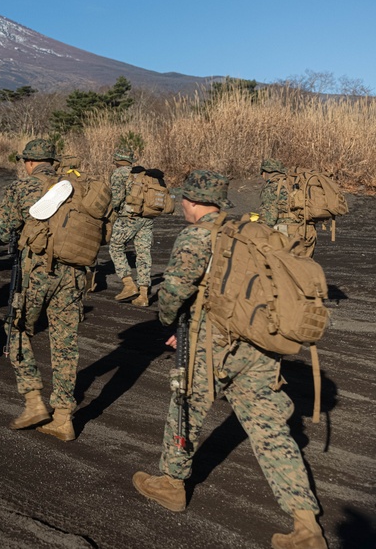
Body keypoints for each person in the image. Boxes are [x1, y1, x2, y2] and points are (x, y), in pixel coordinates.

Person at [133, 170, 327, 549]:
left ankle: (171, 484)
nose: (183, 208)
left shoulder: (197, 235)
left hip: (214, 345)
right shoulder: (244, 235)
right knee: (270, 430)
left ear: (192, 202)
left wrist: (171, 321)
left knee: (185, 405)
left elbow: (174, 290)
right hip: (259, 347)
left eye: (185, 202)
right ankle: (306, 524)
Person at [0, 139, 86, 440]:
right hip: (73, 274)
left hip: (35, 273)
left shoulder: (21, 188)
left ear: (29, 163)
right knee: (65, 344)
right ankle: (63, 417)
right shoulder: (76, 187)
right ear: (52, 160)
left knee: (17, 329)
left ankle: (34, 400)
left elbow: (3, 229)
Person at [109, 148, 153, 306]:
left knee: (115, 246)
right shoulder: (142, 174)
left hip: (128, 217)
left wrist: (111, 212)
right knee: (143, 254)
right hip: (147, 217)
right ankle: (143, 295)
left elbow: (116, 199)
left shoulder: (119, 173)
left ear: (117, 161)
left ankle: (128, 284)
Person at [258, 158, 318, 257]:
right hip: (308, 231)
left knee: (285, 267)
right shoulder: (298, 183)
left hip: (288, 234)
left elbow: (268, 220)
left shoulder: (272, 187)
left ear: (265, 172)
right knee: (305, 267)